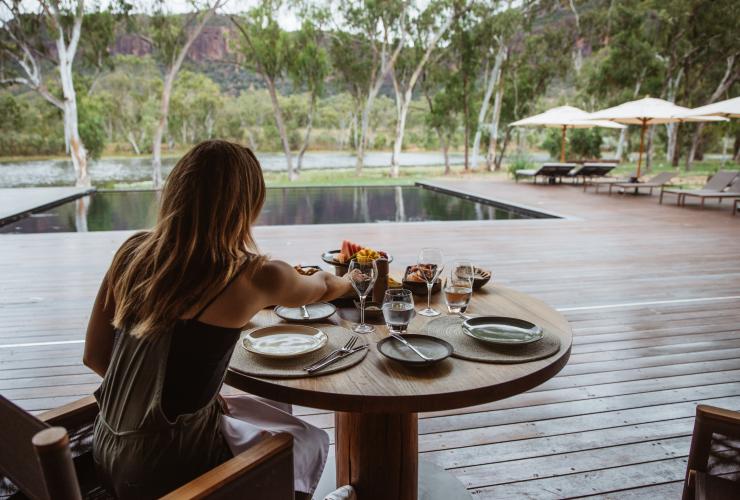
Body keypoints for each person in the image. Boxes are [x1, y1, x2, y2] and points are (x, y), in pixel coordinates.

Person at [83, 140, 352, 499]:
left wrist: (161, 406)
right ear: (246, 204)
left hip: (106, 450)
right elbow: (320, 286)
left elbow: (95, 356)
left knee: (261, 413)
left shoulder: (132, 252)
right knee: (300, 441)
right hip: (169, 469)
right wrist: (355, 280)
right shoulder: (254, 275)